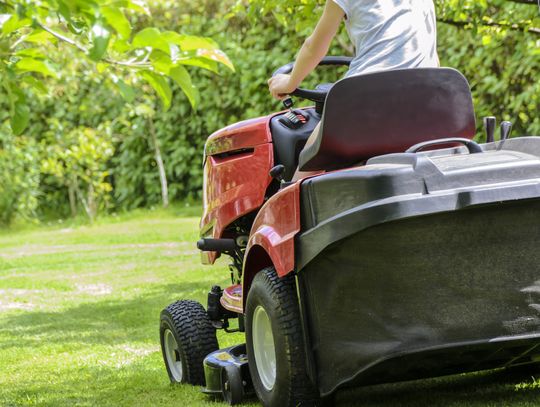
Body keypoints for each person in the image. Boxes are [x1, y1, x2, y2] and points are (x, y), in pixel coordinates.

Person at [268, 0, 440, 180]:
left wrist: (290, 83)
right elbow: (433, 59)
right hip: (425, 104)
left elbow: (314, 47)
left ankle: (292, 199)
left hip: (367, 100)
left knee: (309, 161)